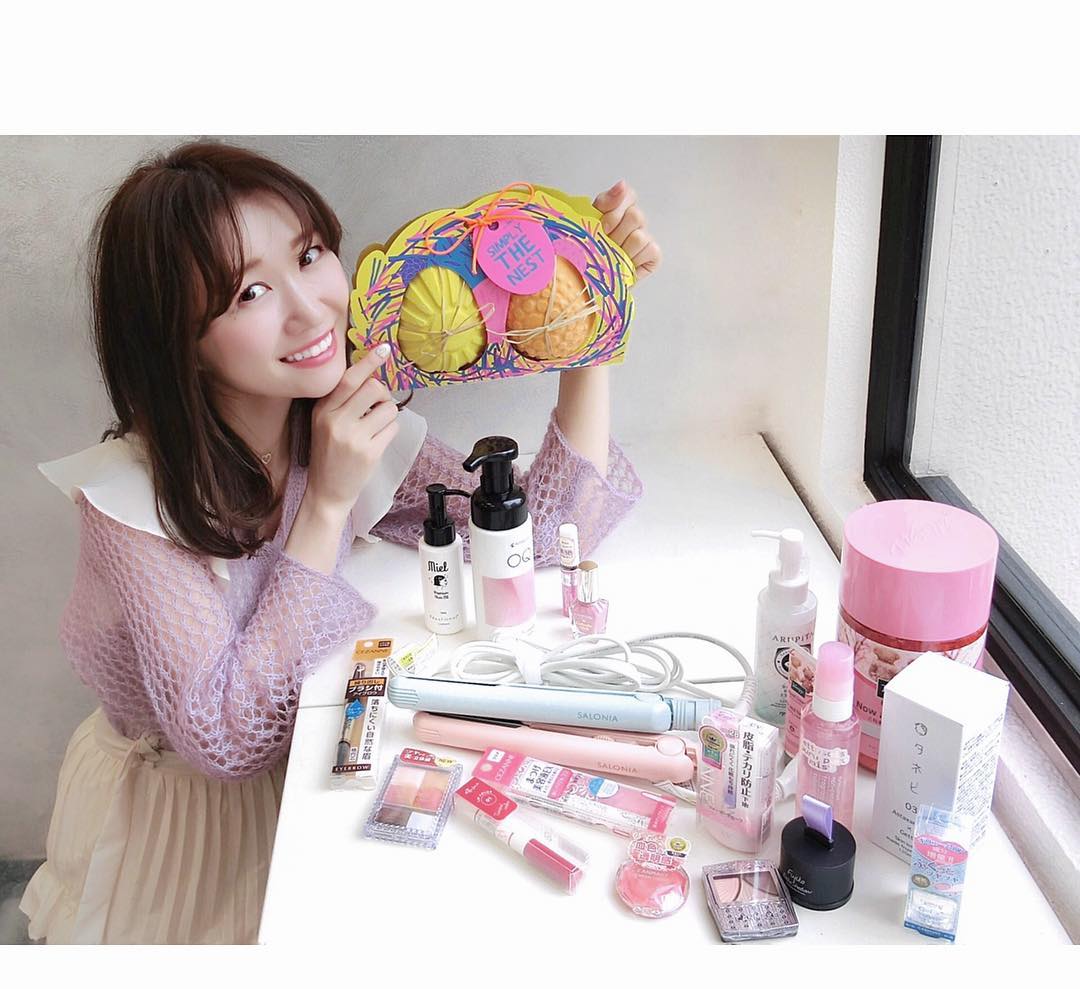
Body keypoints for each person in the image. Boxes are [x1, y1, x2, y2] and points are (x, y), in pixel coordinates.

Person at [21, 140, 661, 944]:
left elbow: (542, 536)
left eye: (310, 255)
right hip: (178, 826)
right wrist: (326, 502)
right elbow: (229, 738)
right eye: (250, 292)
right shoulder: (129, 502)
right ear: (177, 338)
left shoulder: (335, 419)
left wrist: (586, 318)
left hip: (310, 789)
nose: (312, 310)